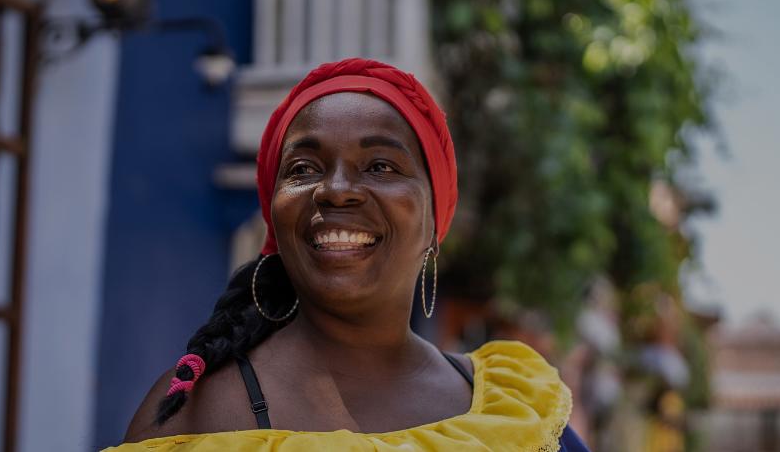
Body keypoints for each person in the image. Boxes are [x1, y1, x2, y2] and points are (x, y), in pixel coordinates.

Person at [109, 58, 589, 451]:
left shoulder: (519, 413)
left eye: (380, 166)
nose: (336, 190)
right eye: (303, 168)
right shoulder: (197, 415)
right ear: (274, 212)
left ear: (434, 218)